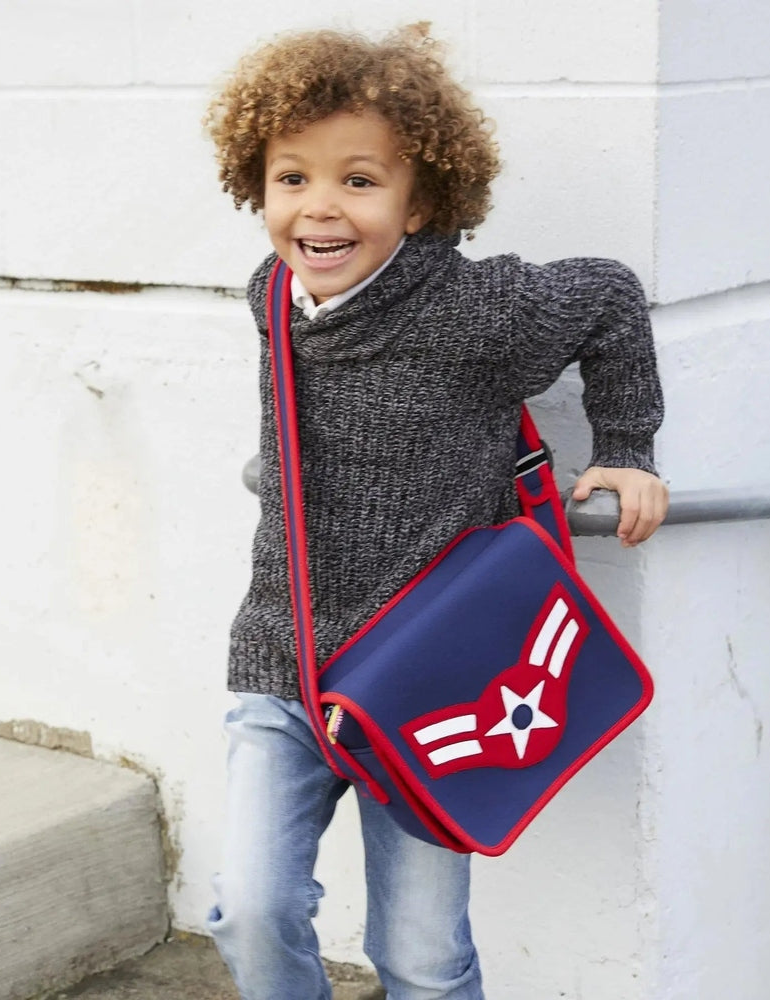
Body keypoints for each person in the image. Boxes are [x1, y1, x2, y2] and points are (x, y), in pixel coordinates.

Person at [203, 23, 669, 1000]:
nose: (318, 209)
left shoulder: (477, 311)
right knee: (251, 905)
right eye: (291, 178)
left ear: (423, 202)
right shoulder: (272, 294)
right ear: (258, 184)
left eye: (358, 181)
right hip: (282, 657)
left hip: (424, 677)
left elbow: (608, 297)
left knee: (418, 951)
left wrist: (625, 448)